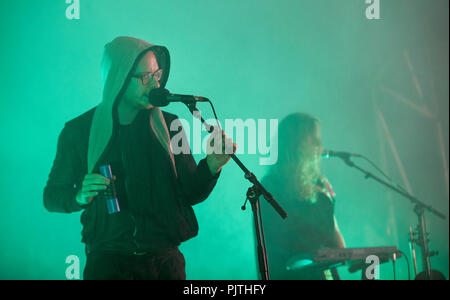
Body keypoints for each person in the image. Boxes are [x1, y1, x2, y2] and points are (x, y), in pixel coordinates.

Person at [43, 36, 235, 280]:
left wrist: (211, 167)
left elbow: (188, 193)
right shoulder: (78, 131)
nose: (155, 85)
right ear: (118, 79)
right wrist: (78, 196)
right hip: (108, 265)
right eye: (145, 78)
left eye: (157, 75)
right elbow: (51, 197)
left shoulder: (171, 125)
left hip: (164, 265)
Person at [260, 113, 345, 280]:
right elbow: (279, 240)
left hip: (324, 274)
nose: (319, 144)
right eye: (312, 138)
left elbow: (335, 237)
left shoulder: (321, 185)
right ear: (293, 143)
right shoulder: (271, 186)